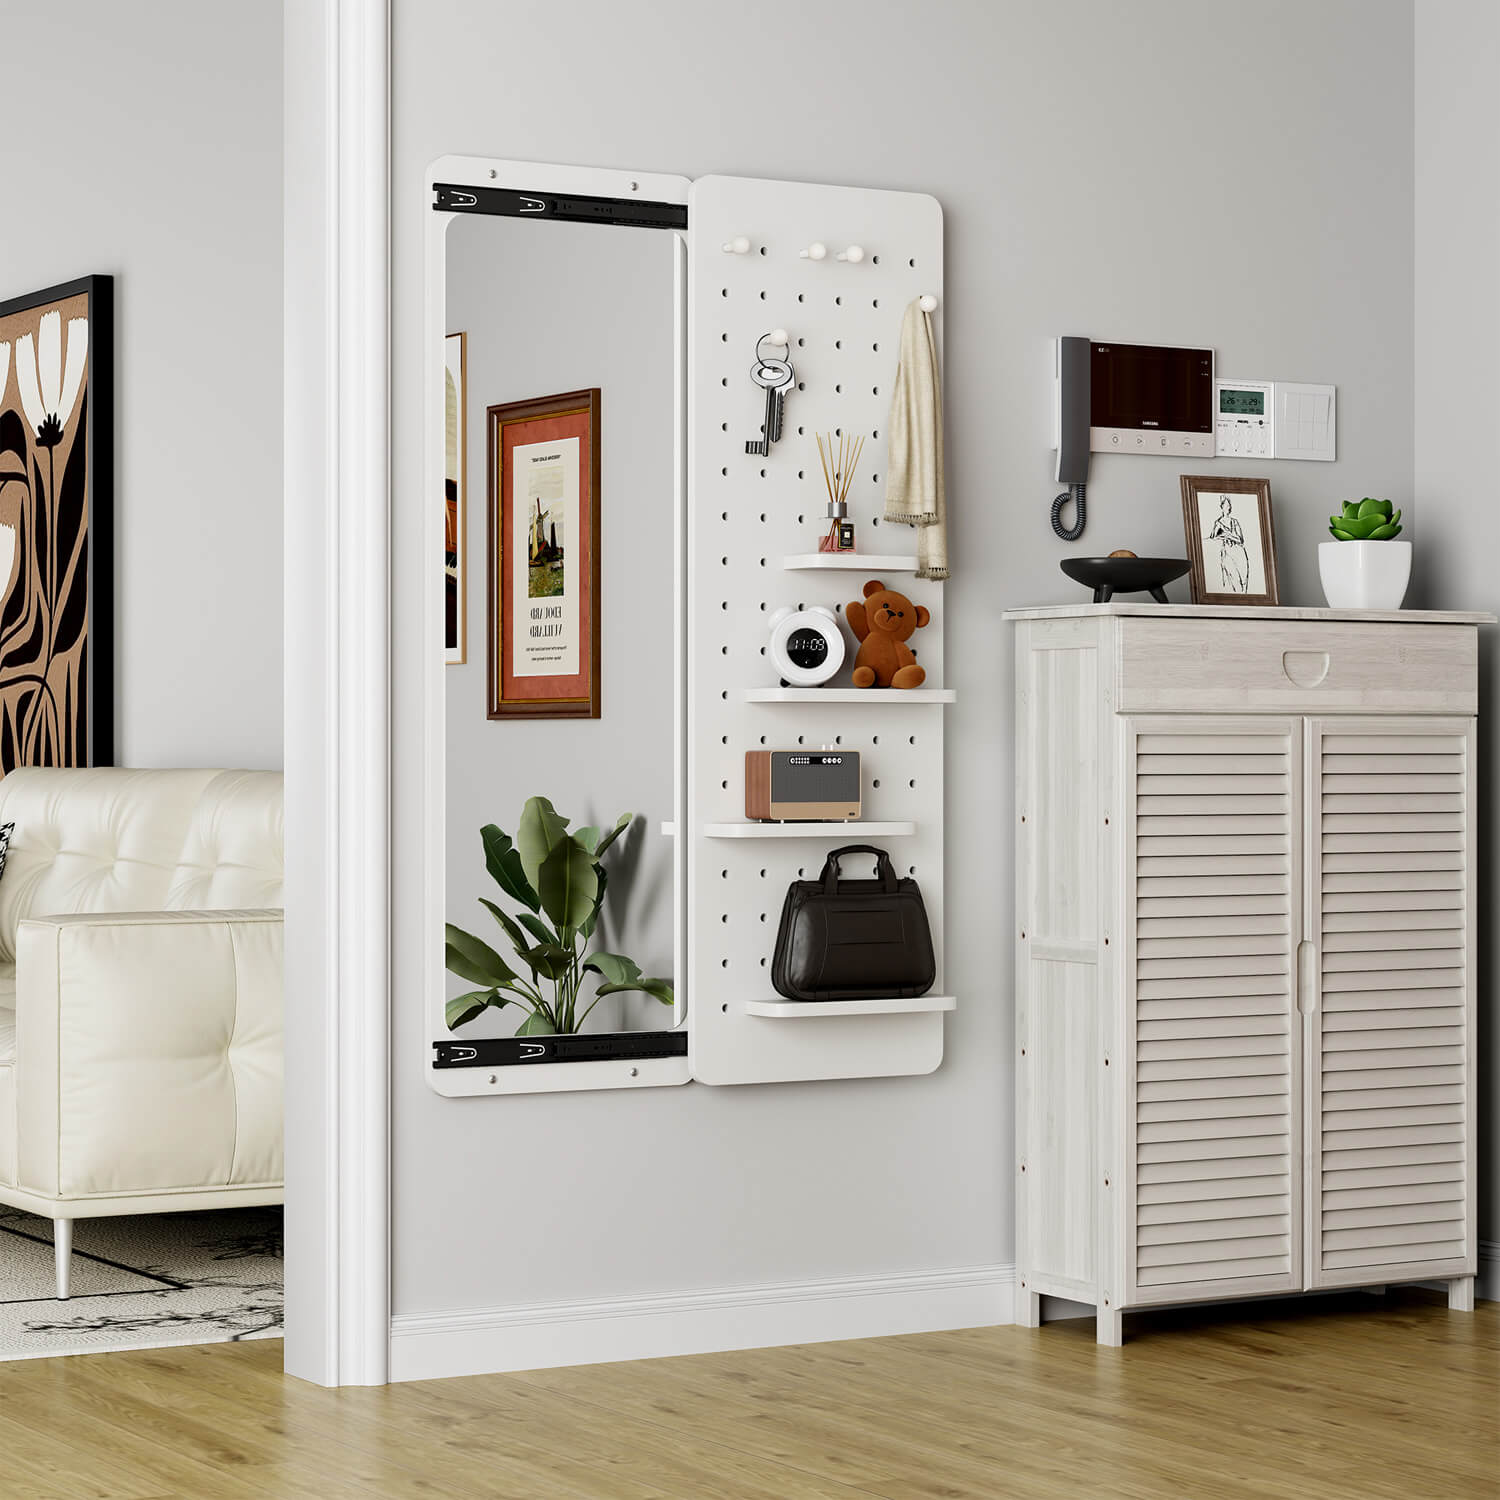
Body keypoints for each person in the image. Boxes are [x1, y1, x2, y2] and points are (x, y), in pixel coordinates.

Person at [1209, 496, 1249, 592]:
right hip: (1227, 554)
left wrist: (1228, 535)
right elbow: (1213, 538)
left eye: (1229, 505)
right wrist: (1222, 535)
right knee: (1233, 580)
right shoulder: (1218, 523)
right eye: (1226, 505)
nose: (1229, 507)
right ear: (1221, 507)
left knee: (1243, 579)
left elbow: (1240, 540)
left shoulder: (1234, 522)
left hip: (1239, 553)